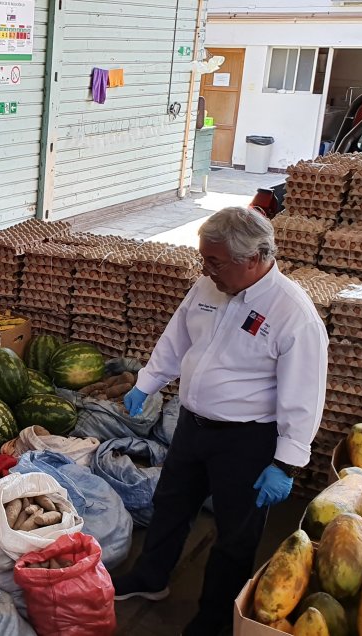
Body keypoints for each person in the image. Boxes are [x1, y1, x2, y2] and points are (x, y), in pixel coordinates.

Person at [112, 206, 328, 636]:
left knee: (235, 534)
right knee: (171, 505)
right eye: (203, 259)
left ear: (254, 258)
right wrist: (148, 382)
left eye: (214, 261)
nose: (205, 270)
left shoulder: (292, 314)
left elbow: (304, 395)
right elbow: (177, 337)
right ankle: (150, 578)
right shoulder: (208, 287)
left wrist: (286, 463)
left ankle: (213, 618)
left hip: (246, 441)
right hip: (193, 426)